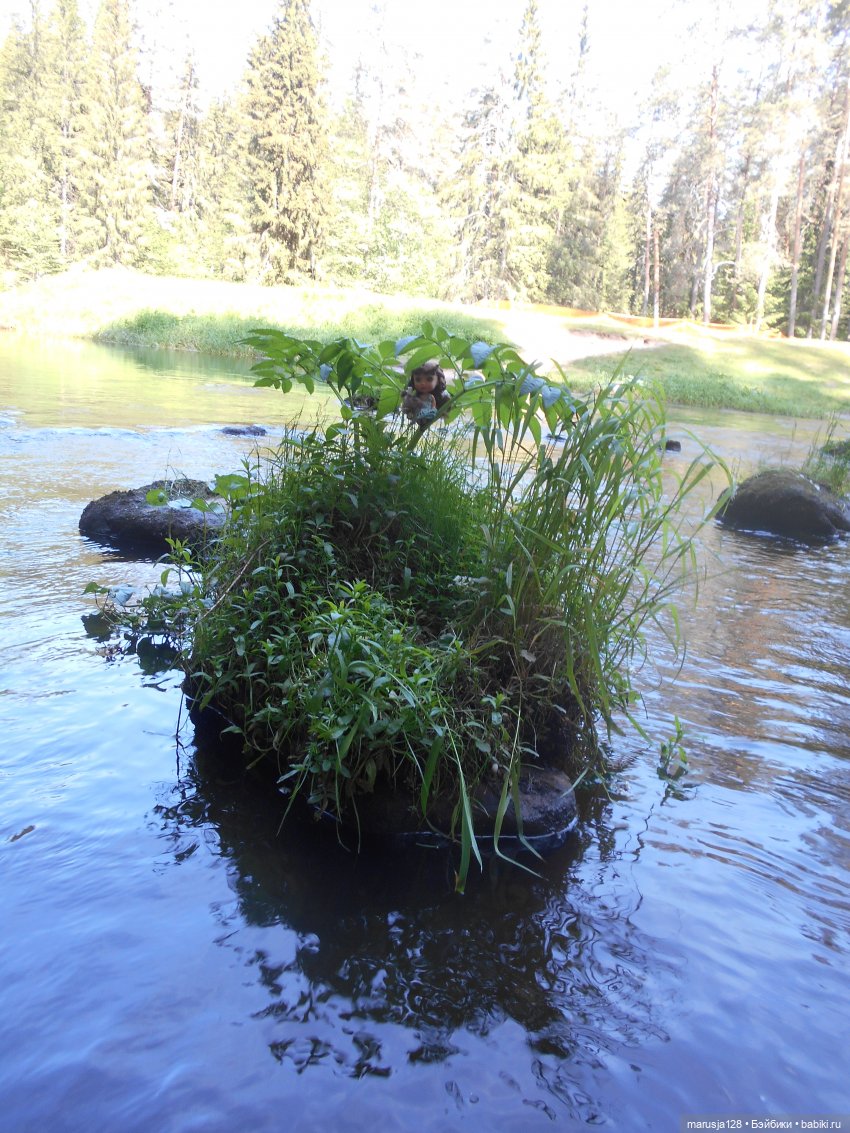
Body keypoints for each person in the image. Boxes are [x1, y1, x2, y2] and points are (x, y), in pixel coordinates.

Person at [400, 360, 451, 425]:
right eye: (418, 380)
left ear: (438, 380)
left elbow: (440, 402)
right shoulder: (415, 395)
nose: (423, 383)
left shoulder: (439, 395)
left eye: (429, 379)